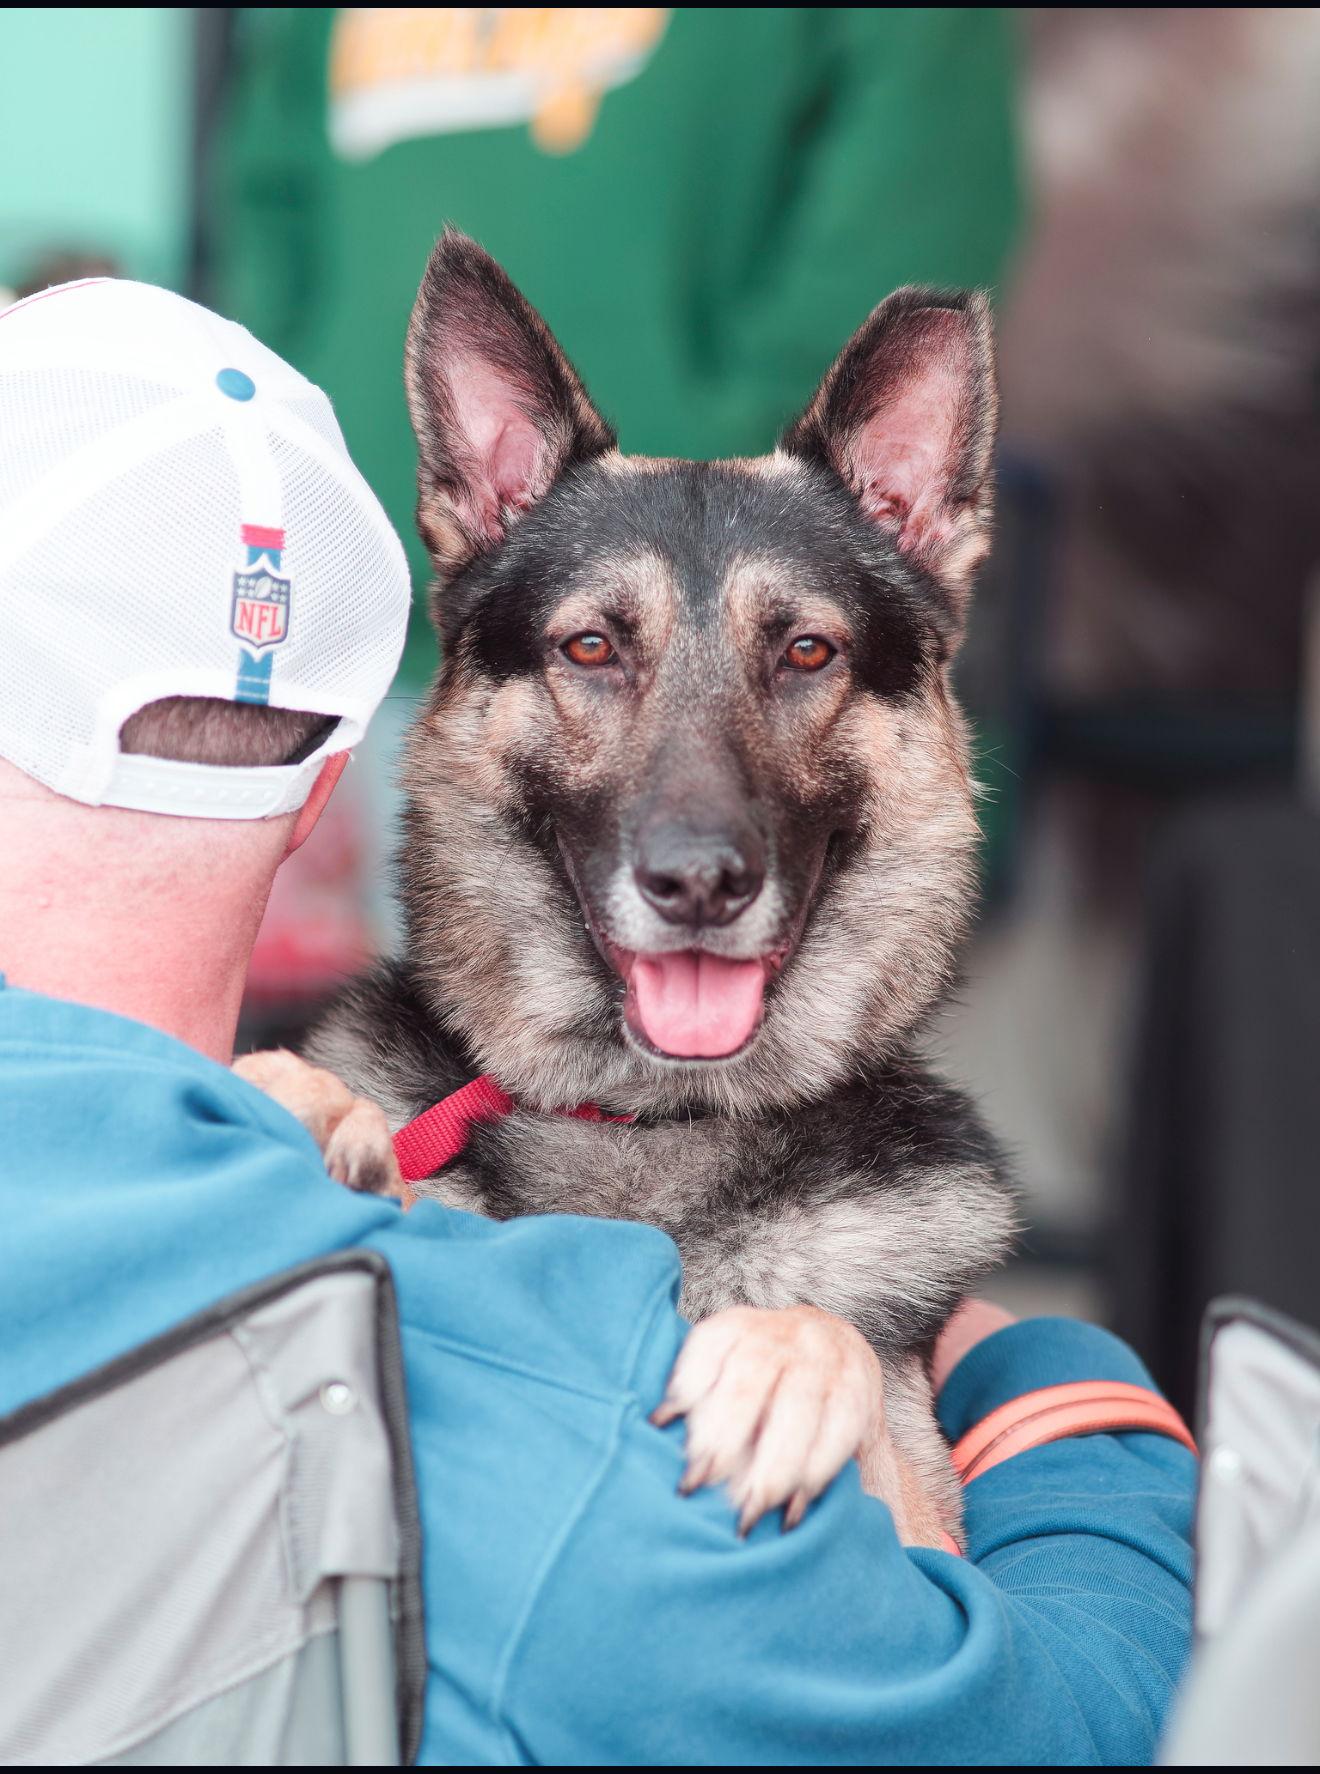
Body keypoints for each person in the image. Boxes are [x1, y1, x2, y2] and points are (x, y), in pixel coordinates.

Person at [0, 279, 1195, 1765]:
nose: (698, 843)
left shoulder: (226, 1183)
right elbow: (1023, 1721)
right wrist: (1064, 1403)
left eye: (804, 657)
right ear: (327, 784)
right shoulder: (497, 1421)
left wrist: (836, 1345)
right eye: (590, 653)